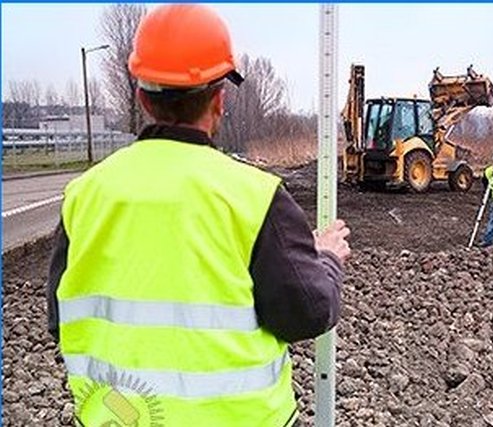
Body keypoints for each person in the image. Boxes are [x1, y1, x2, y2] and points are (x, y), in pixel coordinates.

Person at [46, 5, 350, 426]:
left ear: (141, 98)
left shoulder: (84, 195)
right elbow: (308, 312)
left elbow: (60, 321)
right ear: (219, 100)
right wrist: (327, 258)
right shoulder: (255, 197)